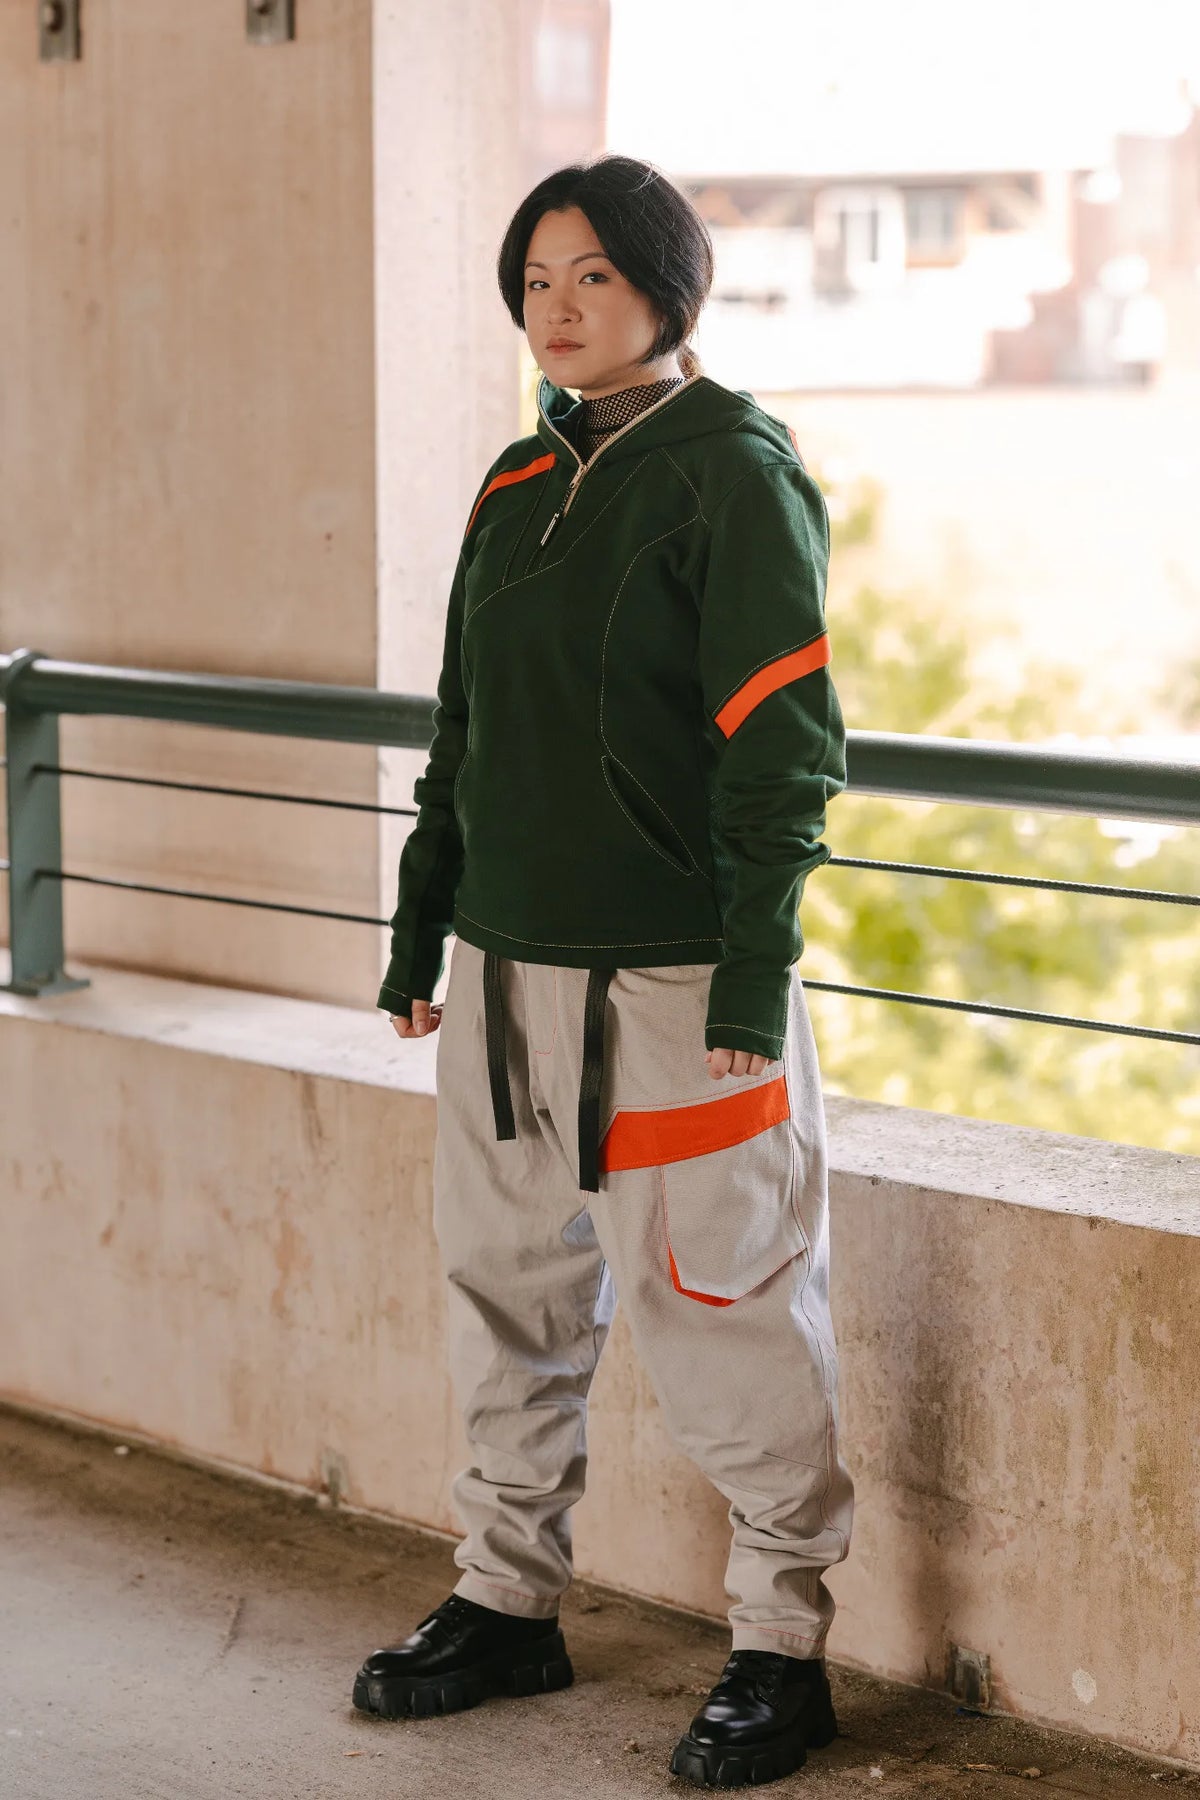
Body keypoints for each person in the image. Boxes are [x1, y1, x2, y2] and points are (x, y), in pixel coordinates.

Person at [351, 153, 854, 1790]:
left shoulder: (736, 472)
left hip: (678, 987)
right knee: (504, 1301)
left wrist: (749, 980)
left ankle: (780, 1647)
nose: (556, 311)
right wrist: (424, 929)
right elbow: (465, 730)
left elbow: (782, 753)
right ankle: (507, 1602)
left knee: (728, 1311)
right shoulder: (517, 477)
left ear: (665, 286)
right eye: (534, 282)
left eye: (592, 277)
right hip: (506, 974)